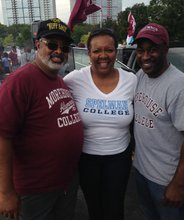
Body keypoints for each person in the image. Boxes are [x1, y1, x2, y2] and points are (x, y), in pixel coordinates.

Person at [0, 18, 83, 220]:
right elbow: (2, 137)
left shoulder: (59, 80)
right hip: (34, 190)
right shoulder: (19, 81)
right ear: (38, 45)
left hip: (64, 184)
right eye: (52, 45)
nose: (58, 51)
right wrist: (5, 192)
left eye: (64, 47)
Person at [64, 28, 137, 220]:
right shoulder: (74, 79)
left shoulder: (131, 80)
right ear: (88, 54)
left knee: (115, 209)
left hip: (119, 159)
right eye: (97, 51)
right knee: (94, 209)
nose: (103, 55)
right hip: (86, 160)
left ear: (116, 52)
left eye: (109, 50)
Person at [132, 23, 184, 220]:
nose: (145, 56)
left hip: (167, 181)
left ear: (165, 50)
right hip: (142, 172)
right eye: (141, 51)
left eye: (153, 50)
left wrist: (178, 184)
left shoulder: (180, 86)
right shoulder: (141, 75)